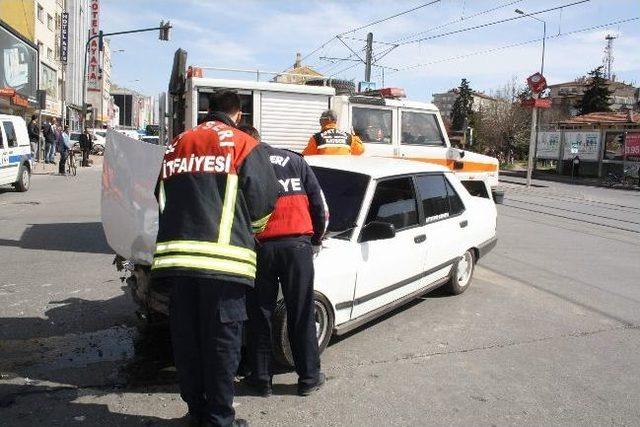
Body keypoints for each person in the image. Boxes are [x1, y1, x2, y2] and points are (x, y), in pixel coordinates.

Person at [152, 91, 279, 427]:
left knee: (187, 340)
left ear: (208, 111)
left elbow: (160, 194)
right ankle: (220, 419)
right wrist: (248, 229)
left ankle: (196, 412)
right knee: (222, 343)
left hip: (177, 262)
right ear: (237, 114)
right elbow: (265, 202)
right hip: (225, 265)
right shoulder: (243, 144)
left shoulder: (178, 143)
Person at [239, 124, 329, 398]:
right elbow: (319, 206)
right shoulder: (295, 160)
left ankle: (261, 379)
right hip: (297, 246)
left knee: (260, 314)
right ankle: (309, 378)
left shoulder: (242, 164)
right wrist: (314, 239)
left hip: (260, 248)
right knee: (300, 312)